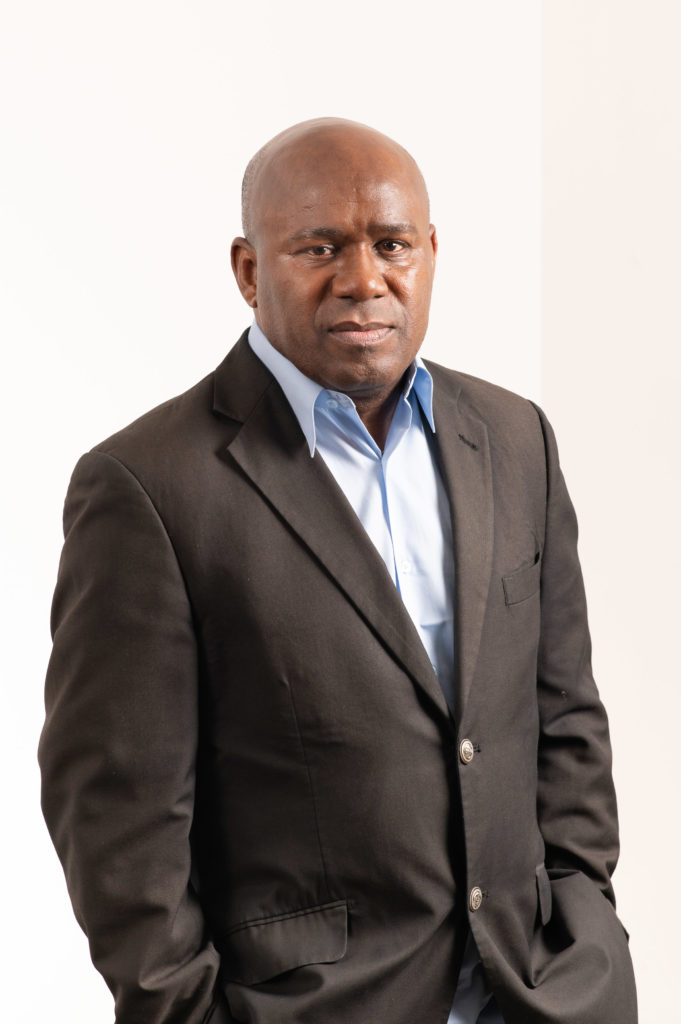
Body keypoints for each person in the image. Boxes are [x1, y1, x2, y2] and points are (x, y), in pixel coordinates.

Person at [39, 118, 637, 1024]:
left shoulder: (514, 439)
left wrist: (585, 925)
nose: (364, 279)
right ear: (248, 270)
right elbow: (116, 818)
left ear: (429, 251)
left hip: (537, 994)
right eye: (320, 248)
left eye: (391, 245)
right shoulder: (150, 486)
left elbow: (565, 719)